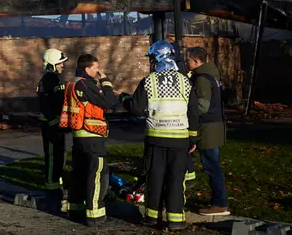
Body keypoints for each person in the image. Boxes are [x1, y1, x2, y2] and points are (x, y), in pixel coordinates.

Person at [118, 40, 199, 231]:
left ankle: (152, 218)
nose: (151, 62)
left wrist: (124, 99)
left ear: (159, 58)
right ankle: (176, 220)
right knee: (176, 179)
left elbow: (136, 108)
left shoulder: (149, 80)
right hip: (180, 140)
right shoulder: (185, 81)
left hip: (155, 139)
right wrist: (193, 138)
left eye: (153, 58)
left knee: (155, 178)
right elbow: (193, 112)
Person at [63, 54, 122, 227]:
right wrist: (105, 81)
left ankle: (75, 209)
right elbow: (109, 102)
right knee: (96, 175)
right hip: (92, 137)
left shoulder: (73, 83)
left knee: (79, 174)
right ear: (87, 69)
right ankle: (95, 216)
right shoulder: (84, 84)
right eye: (96, 68)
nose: (98, 71)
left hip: (80, 137)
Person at [186, 46, 230, 216]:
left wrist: (186, 110)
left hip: (208, 128)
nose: (186, 62)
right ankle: (218, 201)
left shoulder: (202, 79)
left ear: (196, 61)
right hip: (215, 126)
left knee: (211, 166)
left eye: (188, 59)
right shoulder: (212, 76)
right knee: (212, 164)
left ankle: (220, 204)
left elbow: (202, 107)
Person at [37, 48, 69, 202]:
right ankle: (51, 187)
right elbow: (44, 104)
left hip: (57, 124)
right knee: (52, 156)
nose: (62, 66)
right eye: (60, 63)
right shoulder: (47, 80)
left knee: (59, 155)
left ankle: (57, 183)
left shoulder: (55, 79)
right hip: (50, 125)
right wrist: (54, 122)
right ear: (52, 64)